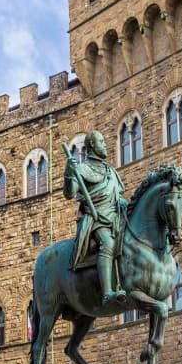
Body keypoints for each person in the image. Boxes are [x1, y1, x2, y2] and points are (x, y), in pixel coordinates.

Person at [62, 130, 127, 304]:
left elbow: (117, 195)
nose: (105, 144)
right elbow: (69, 193)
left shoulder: (110, 170)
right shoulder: (82, 169)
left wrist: (123, 203)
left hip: (115, 216)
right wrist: (68, 174)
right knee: (108, 244)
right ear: (92, 145)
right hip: (96, 219)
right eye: (101, 141)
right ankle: (107, 293)